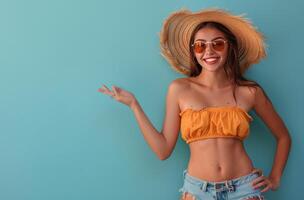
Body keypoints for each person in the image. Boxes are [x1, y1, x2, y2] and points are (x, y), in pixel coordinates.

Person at [98, 8, 292, 200]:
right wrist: (134, 105)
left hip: (244, 189)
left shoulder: (249, 91)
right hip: (198, 192)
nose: (209, 51)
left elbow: (283, 137)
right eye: (200, 46)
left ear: (229, 47)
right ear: (194, 51)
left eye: (218, 44)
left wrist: (275, 178)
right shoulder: (179, 89)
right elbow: (163, 150)